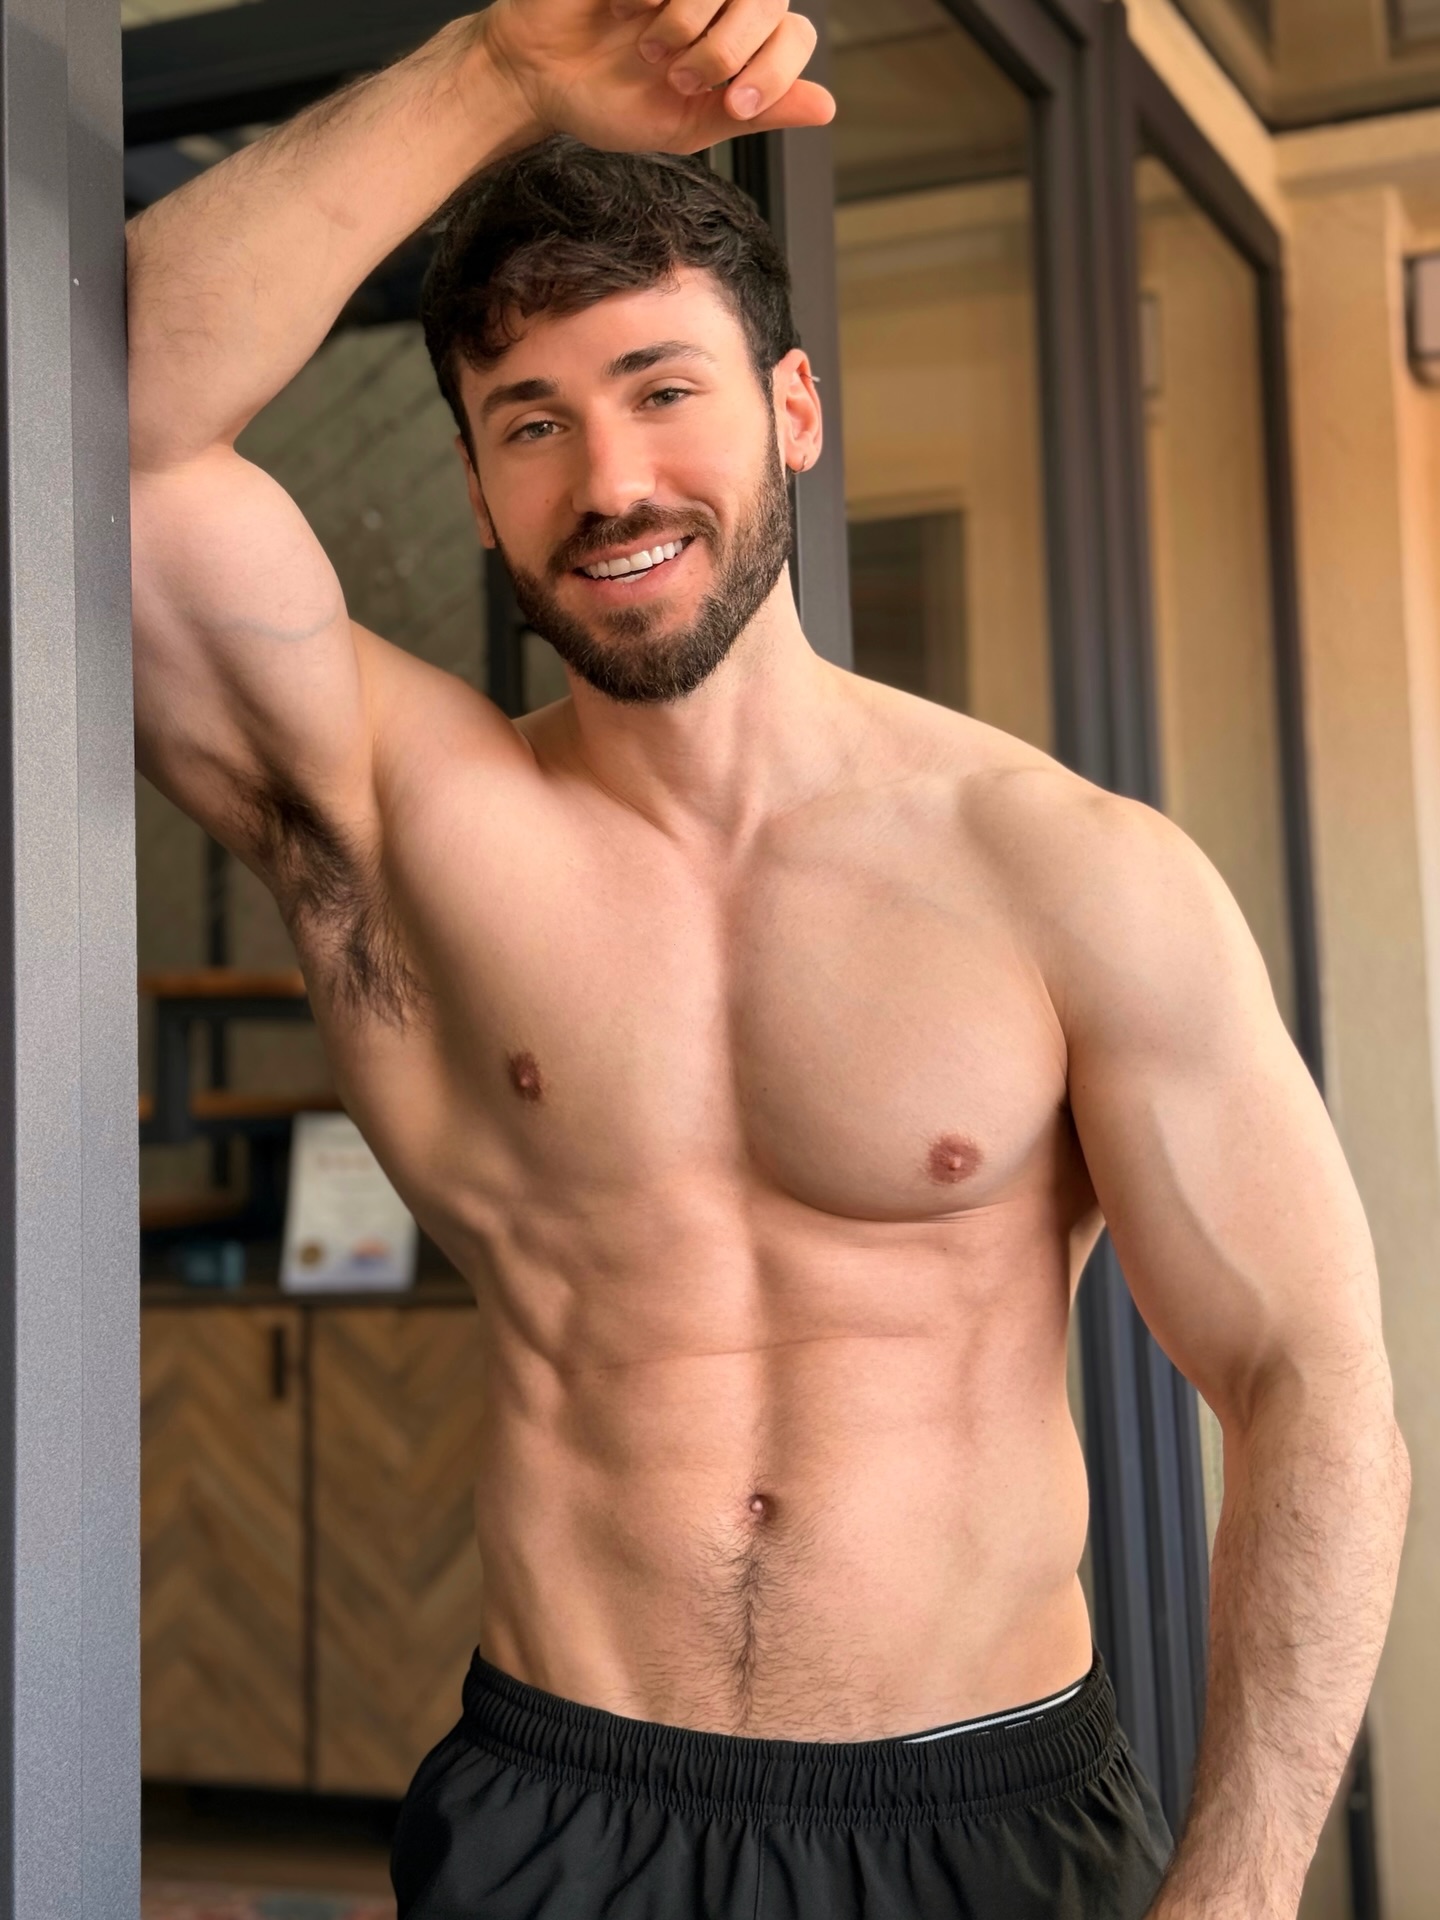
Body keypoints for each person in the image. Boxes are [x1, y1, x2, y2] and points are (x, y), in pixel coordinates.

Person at [125, 2, 1410, 1915]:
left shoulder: (1067, 871)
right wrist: (496, 72)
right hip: (563, 1810)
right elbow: (109, 422)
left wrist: (1237, 1888)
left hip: (983, 1819)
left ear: (794, 411)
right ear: (475, 488)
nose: (610, 481)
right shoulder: (408, 820)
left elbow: (1313, 1383)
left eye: (663, 390)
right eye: (531, 423)